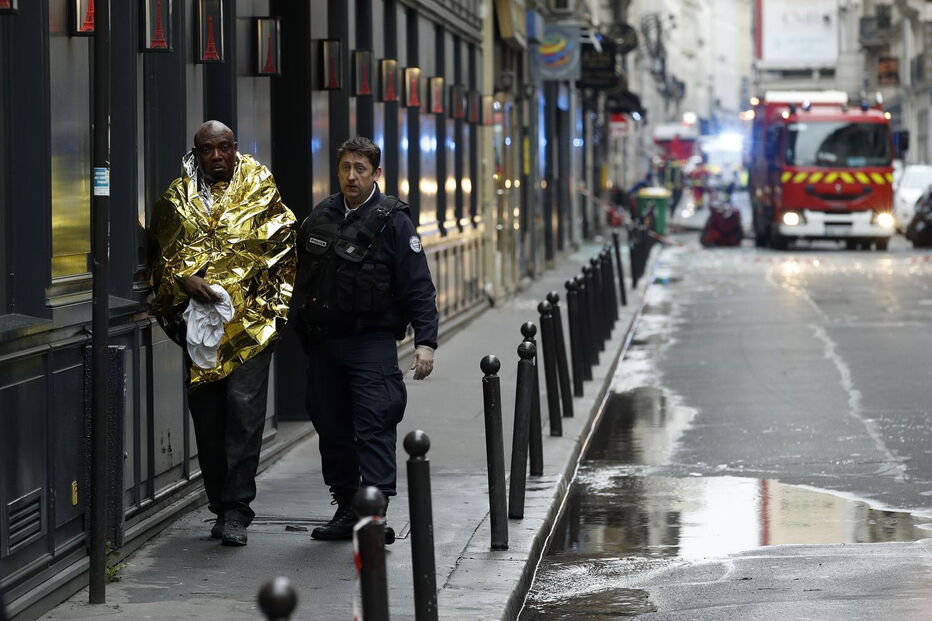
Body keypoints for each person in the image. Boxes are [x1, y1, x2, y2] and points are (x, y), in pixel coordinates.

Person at [149, 120, 296, 546]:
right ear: (196, 153)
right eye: (207, 149)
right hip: (199, 333)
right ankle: (219, 504)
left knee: (244, 414)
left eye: (224, 148)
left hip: (252, 328)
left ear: (236, 149)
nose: (217, 156)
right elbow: (159, 262)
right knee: (209, 420)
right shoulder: (177, 201)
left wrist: (272, 318)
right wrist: (183, 281)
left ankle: (238, 510)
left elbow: (284, 256)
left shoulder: (261, 192)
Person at [291, 136, 439, 543]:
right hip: (325, 343)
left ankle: (374, 515)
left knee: (374, 425)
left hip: (371, 342)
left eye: (360, 169)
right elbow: (301, 280)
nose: (351, 176)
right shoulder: (321, 215)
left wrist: (426, 342)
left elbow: (418, 286)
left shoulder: (394, 220)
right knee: (332, 428)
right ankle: (345, 507)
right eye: (345, 168)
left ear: (376, 174)